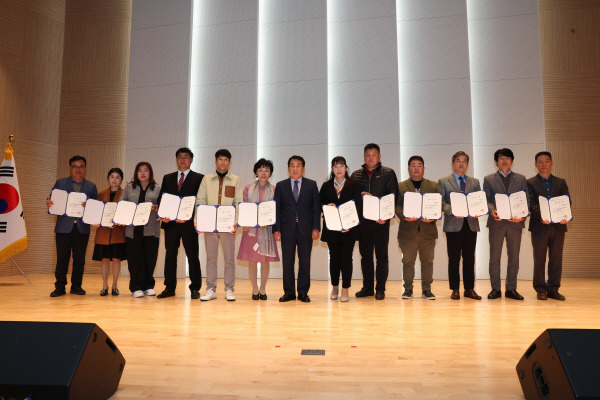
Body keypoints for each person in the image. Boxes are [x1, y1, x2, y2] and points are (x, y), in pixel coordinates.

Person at [351, 143, 399, 300]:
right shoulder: (356, 175)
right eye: (368, 155)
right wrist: (360, 195)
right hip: (363, 223)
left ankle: (380, 289)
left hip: (381, 223)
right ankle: (367, 288)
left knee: (382, 257)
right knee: (365, 256)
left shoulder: (388, 173)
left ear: (379, 156)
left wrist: (385, 216)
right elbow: (350, 198)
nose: (370, 158)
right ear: (364, 157)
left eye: (374, 155)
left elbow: (393, 196)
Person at [46, 155, 98, 297]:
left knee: (79, 259)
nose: (78, 169)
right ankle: (60, 287)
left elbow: (96, 208)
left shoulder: (91, 186)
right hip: (63, 227)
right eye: (75, 166)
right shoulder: (60, 183)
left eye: (81, 166)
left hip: (82, 228)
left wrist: (90, 205)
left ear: (85, 169)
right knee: (62, 258)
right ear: (70, 168)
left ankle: (76, 286)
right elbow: (51, 200)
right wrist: (49, 203)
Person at [157, 147, 204, 299]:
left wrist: (195, 218)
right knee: (170, 256)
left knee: (192, 256)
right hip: (170, 224)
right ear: (176, 160)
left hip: (189, 224)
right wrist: (162, 214)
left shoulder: (199, 178)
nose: (182, 160)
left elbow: (200, 202)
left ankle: (195, 288)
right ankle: (169, 288)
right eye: (179, 157)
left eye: (186, 157)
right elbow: (162, 200)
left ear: (191, 160)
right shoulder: (167, 178)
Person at [196, 149, 243, 301]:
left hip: (227, 225)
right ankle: (211, 289)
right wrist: (199, 220)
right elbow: (200, 200)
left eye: (226, 160)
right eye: (220, 159)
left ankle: (229, 288)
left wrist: (236, 221)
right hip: (210, 225)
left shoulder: (235, 179)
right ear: (216, 161)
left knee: (229, 258)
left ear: (229, 162)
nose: (223, 162)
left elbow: (238, 202)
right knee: (211, 258)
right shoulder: (207, 179)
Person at [273, 155, 320, 303]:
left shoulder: (312, 185)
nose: (295, 168)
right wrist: (276, 229)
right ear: (288, 169)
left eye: (298, 165)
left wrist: (316, 228)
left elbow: (316, 208)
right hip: (287, 229)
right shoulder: (281, 186)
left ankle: (303, 292)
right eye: (292, 166)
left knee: (305, 261)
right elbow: (277, 209)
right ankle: (289, 292)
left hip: (306, 229)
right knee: (287, 262)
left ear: (303, 168)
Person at [483, 148, 528, 300]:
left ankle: (511, 289)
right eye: (501, 158)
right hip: (497, 223)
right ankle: (495, 289)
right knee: (494, 257)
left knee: (514, 257)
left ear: (512, 161)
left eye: (507, 158)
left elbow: (526, 200)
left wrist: (523, 216)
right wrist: (491, 210)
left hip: (515, 223)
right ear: (496, 162)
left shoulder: (521, 179)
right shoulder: (489, 179)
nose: (504, 161)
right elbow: (487, 199)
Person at [396, 155, 441, 300]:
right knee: (408, 261)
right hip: (407, 230)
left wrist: (433, 216)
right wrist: (404, 216)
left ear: (424, 168)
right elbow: (396, 205)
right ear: (409, 168)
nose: (416, 168)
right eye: (413, 165)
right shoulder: (401, 186)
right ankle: (408, 289)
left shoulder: (433, 186)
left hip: (428, 231)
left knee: (427, 262)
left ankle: (426, 289)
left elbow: (438, 205)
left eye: (419, 165)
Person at [438, 152, 482, 300]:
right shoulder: (444, 181)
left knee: (470, 258)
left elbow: (478, 201)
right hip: (453, 225)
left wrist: (478, 211)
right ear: (453, 163)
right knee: (454, 258)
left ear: (467, 164)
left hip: (470, 224)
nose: (461, 164)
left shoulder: (475, 182)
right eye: (458, 161)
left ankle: (469, 289)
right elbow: (441, 203)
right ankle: (455, 289)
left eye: (464, 161)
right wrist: (452, 211)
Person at [527, 151, 570, 301]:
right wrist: (542, 216)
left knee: (556, 258)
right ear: (535, 164)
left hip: (558, 226)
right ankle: (540, 289)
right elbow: (531, 203)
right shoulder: (530, 182)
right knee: (539, 258)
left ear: (551, 163)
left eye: (546, 161)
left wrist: (565, 216)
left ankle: (553, 289)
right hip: (540, 226)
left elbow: (567, 202)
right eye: (540, 161)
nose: (544, 164)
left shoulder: (561, 182)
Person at [236, 158, 280, 300]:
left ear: (270, 173)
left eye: (267, 170)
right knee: (252, 260)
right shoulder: (249, 188)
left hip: (266, 230)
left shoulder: (274, 189)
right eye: (260, 170)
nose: (263, 173)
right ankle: (254, 289)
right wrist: (245, 222)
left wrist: (270, 222)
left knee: (265, 260)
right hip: (251, 230)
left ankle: (263, 289)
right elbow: (243, 206)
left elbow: (276, 210)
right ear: (256, 172)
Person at [320, 156, 361, 302]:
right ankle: (335, 287)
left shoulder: (353, 184)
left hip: (348, 230)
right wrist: (326, 207)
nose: (339, 169)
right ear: (332, 169)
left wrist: (349, 224)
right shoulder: (326, 186)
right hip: (332, 229)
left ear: (346, 168)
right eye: (336, 166)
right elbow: (319, 204)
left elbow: (358, 207)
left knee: (346, 259)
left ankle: (345, 288)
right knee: (334, 259)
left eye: (341, 166)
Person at [121, 162, 161, 298]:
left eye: (146, 170)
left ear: (150, 173)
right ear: (136, 173)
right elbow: (121, 204)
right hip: (133, 229)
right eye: (140, 170)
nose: (143, 173)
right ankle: (136, 287)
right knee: (134, 258)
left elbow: (163, 207)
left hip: (151, 229)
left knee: (150, 258)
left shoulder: (157, 188)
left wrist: (156, 208)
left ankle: (149, 286)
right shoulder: (128, 188)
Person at [92, 168, 126, 296]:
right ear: (108, 179)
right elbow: (95, 211)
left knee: (117, 259)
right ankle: (104, 285)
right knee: (105, 259)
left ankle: (115, 285)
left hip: (118, 232)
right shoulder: (101, 194)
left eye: (117, 177)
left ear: (121, 180)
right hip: (103, 232)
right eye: (112, 176)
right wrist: (94, 221)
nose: (114, 179)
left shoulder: (124, 194)